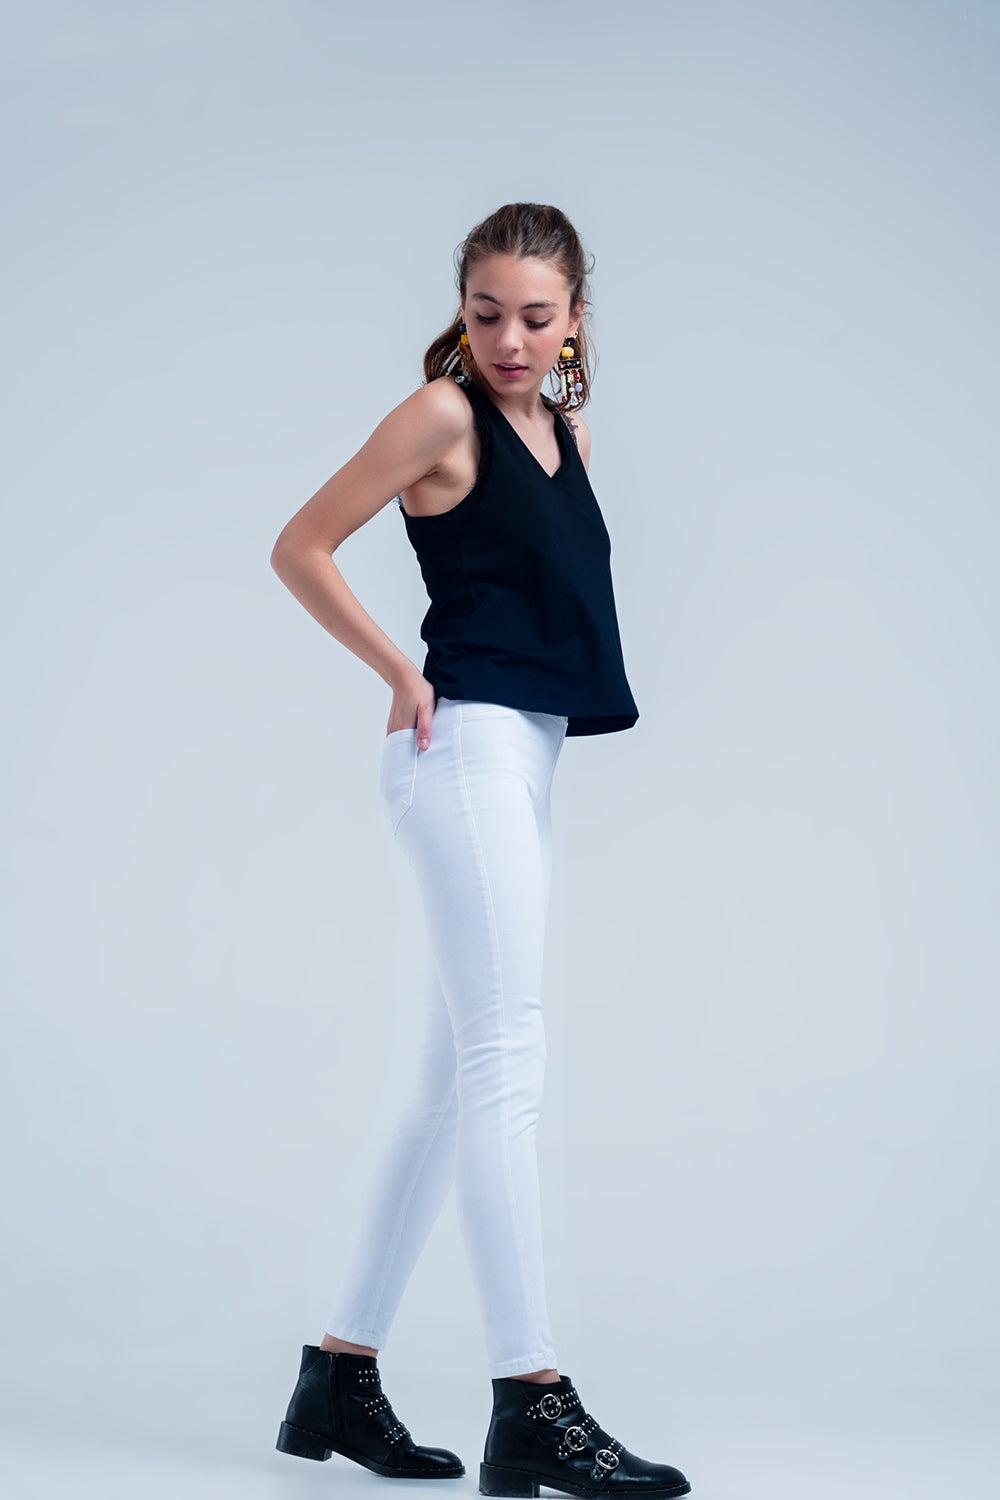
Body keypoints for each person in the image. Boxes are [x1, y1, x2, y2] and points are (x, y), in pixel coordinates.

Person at [269, 203, 692, 1498]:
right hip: (460, 753)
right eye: (487, 312)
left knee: (451, 1083)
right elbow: (300, 545)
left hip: (524, 758)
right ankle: (534, 1398)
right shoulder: (441, 417)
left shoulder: (564, 431)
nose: (509, 339)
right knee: (509, 1063)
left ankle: (337, 1376)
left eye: (536, 317)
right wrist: (399, 670)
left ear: (576, 323)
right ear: (462, 309)